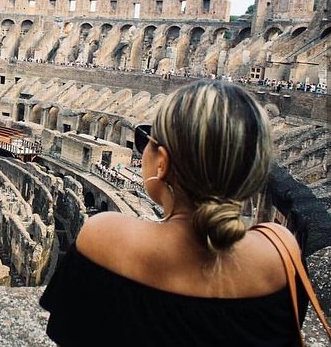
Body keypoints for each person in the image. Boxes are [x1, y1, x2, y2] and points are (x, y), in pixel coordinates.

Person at [40, 79, 307, 346]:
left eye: (146, 140)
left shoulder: (103, 237)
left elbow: (65, 333)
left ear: (162, 162)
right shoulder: (281, 254)